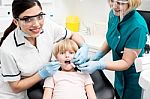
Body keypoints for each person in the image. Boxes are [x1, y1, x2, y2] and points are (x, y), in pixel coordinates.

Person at [0, 0, 88, 99]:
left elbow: (73, 35)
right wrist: (42, 74)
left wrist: (84, 46)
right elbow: (15, 87)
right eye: (28, 19)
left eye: (40, 16)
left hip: (36, 88)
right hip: (13, 95)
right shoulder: (7, 50)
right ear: (16, 22)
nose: (37, 24)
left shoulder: (48, 27)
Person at [77, 0, 148, 99]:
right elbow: (111, 38)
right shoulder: (114, 14)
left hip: (132, 78)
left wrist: (100, 65)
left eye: (120, 3)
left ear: (132, 3)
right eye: (112, 0)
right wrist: (97, 56)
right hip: (119, 72)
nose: (114, 6)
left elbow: (126, 62)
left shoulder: (138, 27)